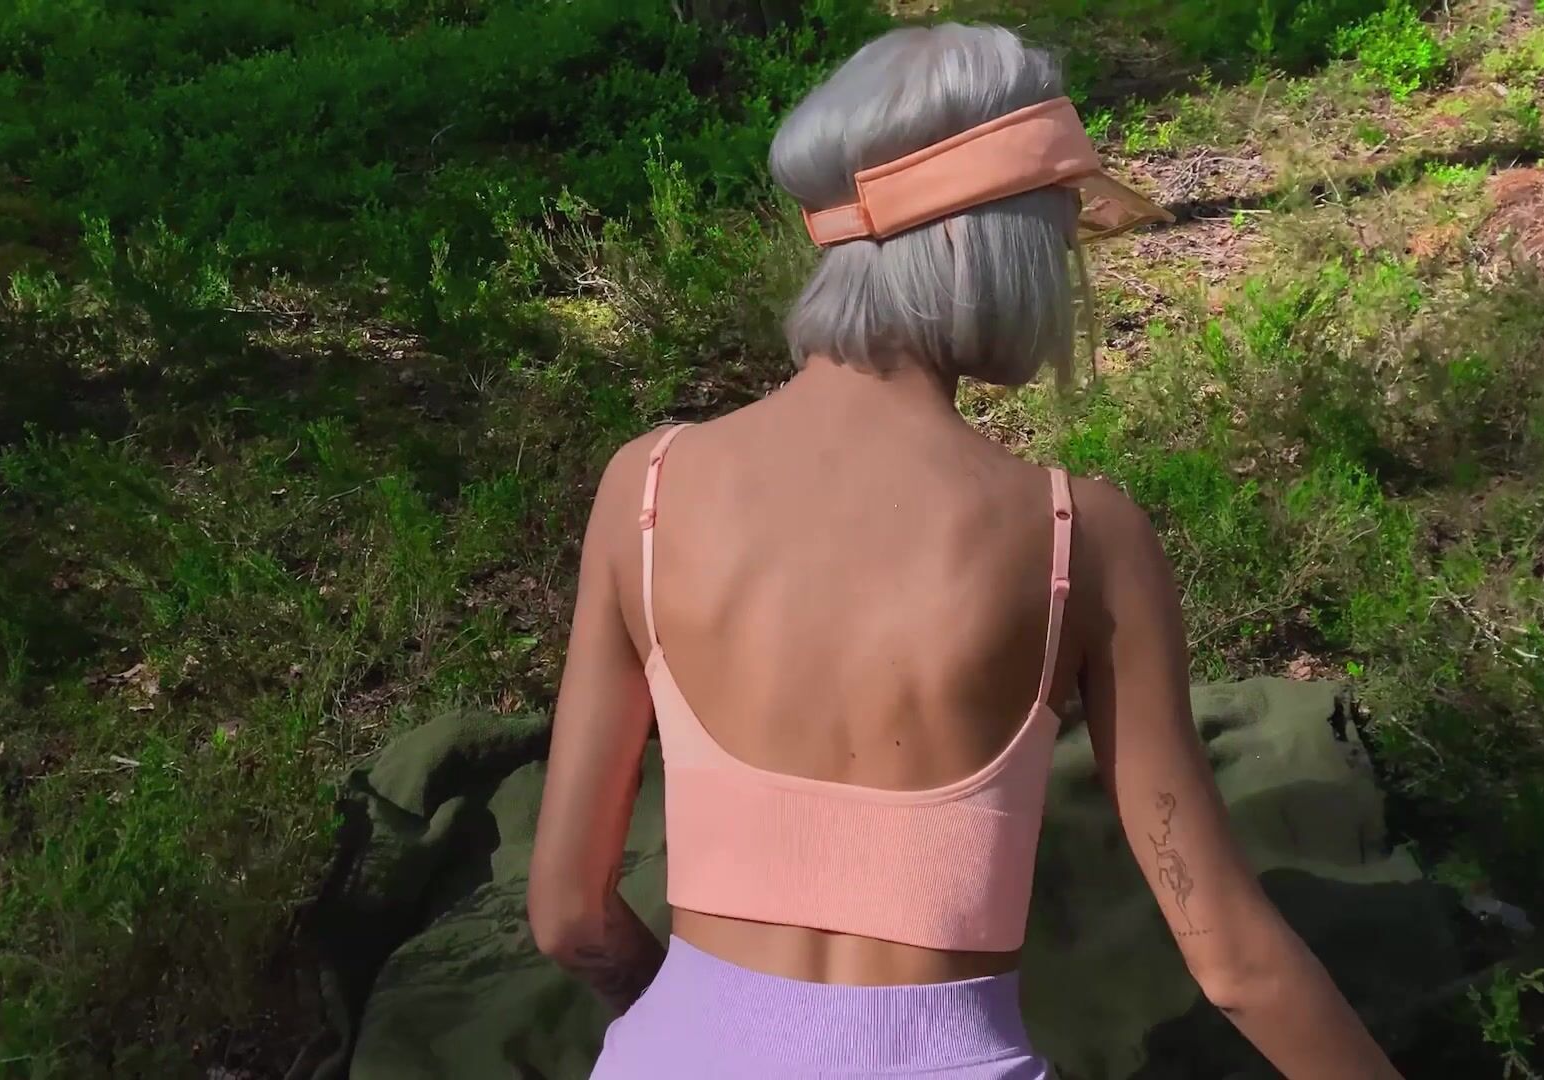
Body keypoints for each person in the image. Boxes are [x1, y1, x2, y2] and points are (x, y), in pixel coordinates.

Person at [526, 21, 1403, 1079]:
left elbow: (568, 915)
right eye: (1060, 240)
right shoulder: (1081, 537)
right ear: (997, 251)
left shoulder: (647, 487)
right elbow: (1237, 966)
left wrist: (695, 1026)